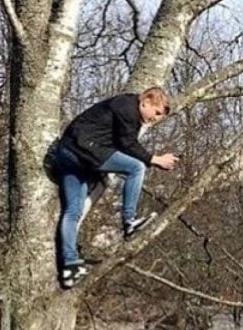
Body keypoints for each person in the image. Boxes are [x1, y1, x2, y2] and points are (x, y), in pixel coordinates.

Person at [53, 87, 179, 288]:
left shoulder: (125, 107)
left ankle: (69, 267)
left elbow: (122, 143)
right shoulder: (127, 109)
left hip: (68, 154)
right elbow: (127, 144)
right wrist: (155, 159)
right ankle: (129, 221)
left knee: (72, 212)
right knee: (136, 168)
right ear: (146, 101)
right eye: (156, 113)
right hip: (83, 150)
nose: (156, 119)